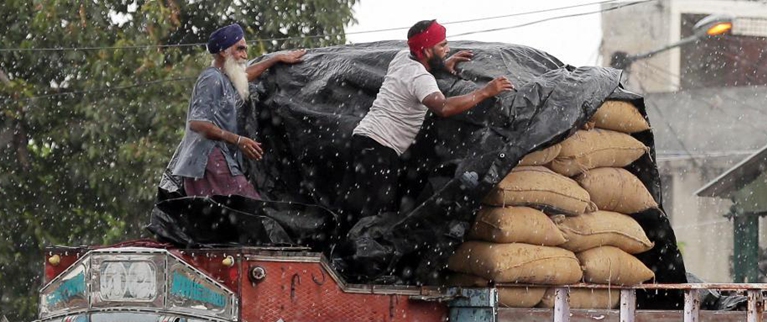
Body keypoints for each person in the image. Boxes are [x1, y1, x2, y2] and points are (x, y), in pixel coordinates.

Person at [339, 19, 515, 223]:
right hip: (380, 148)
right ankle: (360, 252)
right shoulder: (420, 78)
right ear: (427, 51)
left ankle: (336, 249)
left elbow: (419, 72)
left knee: (351, 207)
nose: (448, 49)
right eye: (442, 45)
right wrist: (485, 92)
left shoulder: (402, 57)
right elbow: (444, 107)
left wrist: (440, 66)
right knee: (375, 214)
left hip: (363, 140)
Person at [159, 23, 305, 199]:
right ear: (223, 51)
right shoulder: (211, 78)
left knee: (236, 215)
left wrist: (276, 59)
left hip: (215, 161)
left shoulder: (224, 78)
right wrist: (238, 140)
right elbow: (198, 124)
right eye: (240, 49)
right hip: (208, 162)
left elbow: (245, 75)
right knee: (249, 208)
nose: (245, 55)